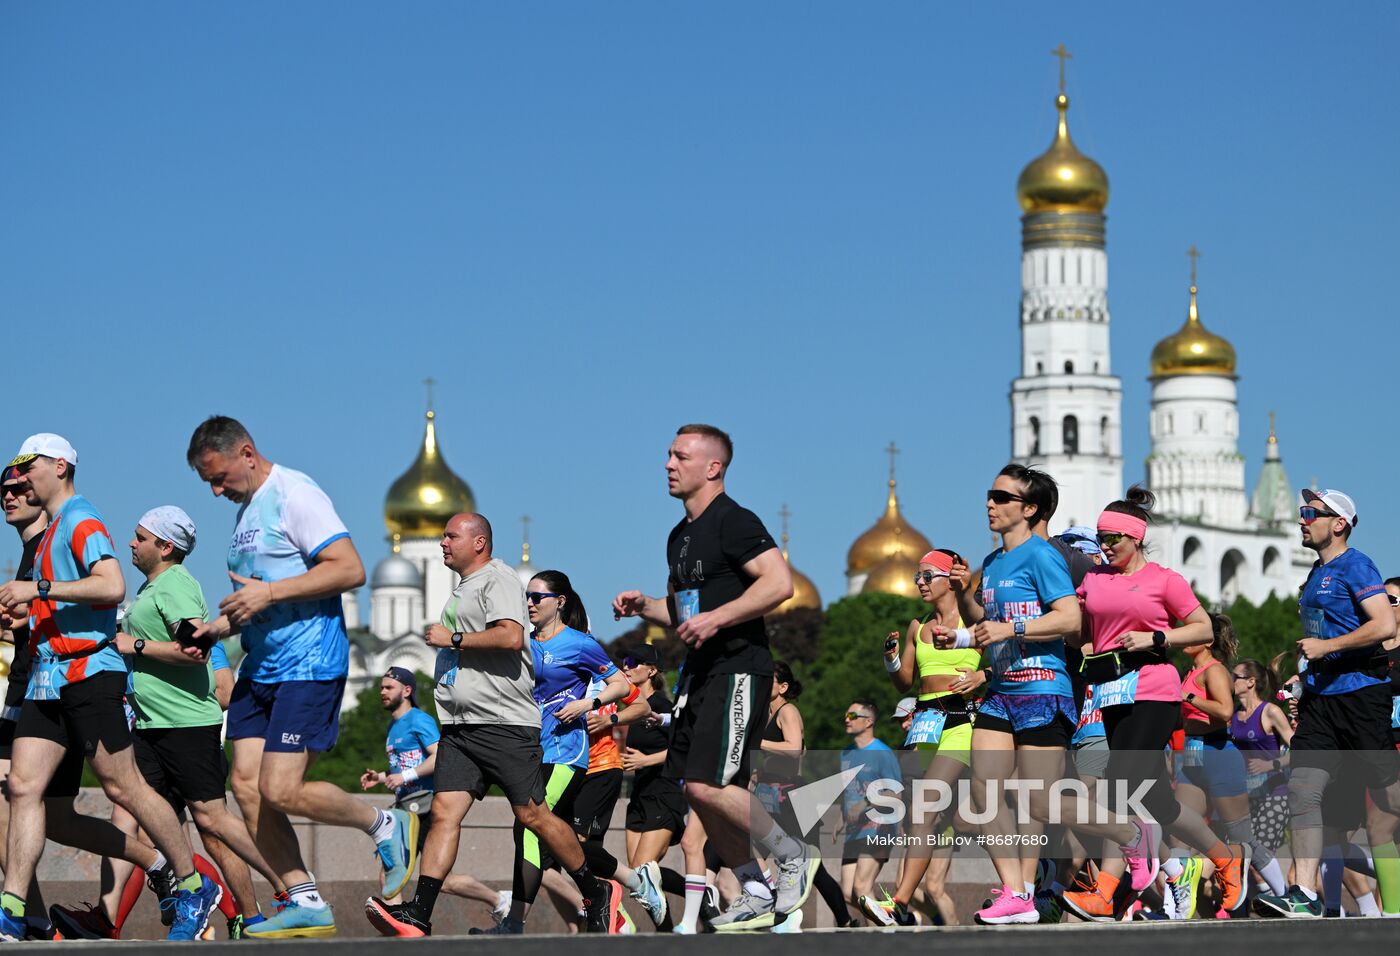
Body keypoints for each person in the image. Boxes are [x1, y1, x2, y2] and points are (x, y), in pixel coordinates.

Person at [185, 415, 414, 938]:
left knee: (281, 789)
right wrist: (217, 627)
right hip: (260, 665)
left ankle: (383, 824)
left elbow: (350, 569)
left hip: (307, 666)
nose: (217, 490)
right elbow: (258, 593)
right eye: (208, 483)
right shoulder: (248, 511)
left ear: (247, 452)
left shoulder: (295, 494)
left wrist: (266, 594)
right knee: (244, 787)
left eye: (219, 478)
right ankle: (305, 898)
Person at [364, 514, 627, 937]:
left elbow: (509, 636)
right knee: (446, 814)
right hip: (460, 728)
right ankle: (419, 912)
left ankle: (595, 893)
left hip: (501, 723)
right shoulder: (465, 588)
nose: (442, 542)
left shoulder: (498, 579)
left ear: (479, 541)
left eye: (451, 535)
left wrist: (451, 639)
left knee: (533, 816)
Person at [0, 435, 219, 941]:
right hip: (46, 678)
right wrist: (25, 614)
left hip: (90, 675)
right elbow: (61, 606)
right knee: (24, 789)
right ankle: (12, 909)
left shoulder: (81, 518)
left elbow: (111, 585)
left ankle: (190, 882)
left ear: (59, 466)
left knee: (125, 787)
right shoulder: (53, 528)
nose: (20, 478)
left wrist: (37, 590)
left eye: (27, 467)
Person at [613, 424, 812, 931]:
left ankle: (792, 854)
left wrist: (718, 619)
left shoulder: (734, 521)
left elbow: (779, 583)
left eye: (680, 456)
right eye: (668, 455)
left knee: (712, 784)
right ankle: (753, 887)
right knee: (697, 790)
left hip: (738, 668)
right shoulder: (679, 537)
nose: (668, 464)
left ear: (713, 468)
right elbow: (686, 611)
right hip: (698, 675)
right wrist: (648, 606)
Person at [1055, 488, 1250, 922]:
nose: (1105, 547)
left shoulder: (1165, 579)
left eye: (1114, 539)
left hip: (1154, 686)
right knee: (1158, 802)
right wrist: (1081, 644)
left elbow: (1200, 629)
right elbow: (1079, 629)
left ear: (1136, 537)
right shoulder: (1095, 579)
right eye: (1101, 538)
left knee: (1119, 781)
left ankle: (1111, 887)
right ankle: (1225, 859)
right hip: (1109, 690)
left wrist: (1156, 638)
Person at [942, 464, 1083, 925]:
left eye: (1001, 497)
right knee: (984, 793)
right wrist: (965, 602)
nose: (990, 503)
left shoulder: (1042, 556)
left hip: (1043, 688)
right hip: (1002, 691)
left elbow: (1069, 620)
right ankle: (1017, 892)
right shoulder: (995, 564)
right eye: (989, 495)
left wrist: (1013, 626)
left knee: (1037, 800)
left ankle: (1130, 834)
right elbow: (983, 623)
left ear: (1029, 509)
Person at [1256, 489, 1400, 918]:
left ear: (1338, 523)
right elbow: (1323, 644)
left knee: (1389, 800)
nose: (1302, 520)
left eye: (1310, 513)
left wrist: (1328, 646)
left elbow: (1384, 622)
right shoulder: (1315, 574)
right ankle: (1303, 892)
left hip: (1360, 696)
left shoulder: (1357, 565)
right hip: (1321, 700)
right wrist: (1308, 669)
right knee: (1304, 790)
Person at [490, 569, 654, 934]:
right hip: (531, 751)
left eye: (537, 597)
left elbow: (620, 686)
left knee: (529, 827)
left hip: (568, 750)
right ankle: (599, 898)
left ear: (559, 602)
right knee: (539, 834)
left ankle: (517, 922)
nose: (529, 603)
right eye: (526, 597)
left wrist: (586, 704)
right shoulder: (522, 642)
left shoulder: (579, 644)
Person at [866, 549, 978, 927]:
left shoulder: (975, 620)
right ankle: (901, 901)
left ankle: (897, 900)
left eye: (928, 576)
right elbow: (905, 681)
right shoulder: (918, 627)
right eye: (918, 577)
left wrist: (982, 676)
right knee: (924, 817)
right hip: (923, 723)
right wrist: (892, 660)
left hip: (961, 721)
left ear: (950, 578)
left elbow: (1005, 658)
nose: (920, 583)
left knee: (929, 808)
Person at [0, 465, 52, 940]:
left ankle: (171, 868)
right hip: (23, 686)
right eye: (3, 491)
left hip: (53, 686)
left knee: (121, 790)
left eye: (18, 487)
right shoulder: (25, 553)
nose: (9, 496)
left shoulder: (52, 544)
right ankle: (28, 915)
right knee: (7, 798)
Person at [1230, 658, 1295, 891]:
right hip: (1244, 794)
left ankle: (1283, 898)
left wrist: (1271, 765)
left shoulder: (1270, 712)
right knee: (1243, 857)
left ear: (1250, 682)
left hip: (1274, 793)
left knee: (1259, 857)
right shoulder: (1232, 714)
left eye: (1234, 676)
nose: (1230, 680)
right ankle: (1267, 906)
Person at [837, 699, 902, 919]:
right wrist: (840, 817)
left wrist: (865, 803)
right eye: (846, 715)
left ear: (869, 722)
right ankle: (891, 918)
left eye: (853, 716)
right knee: (848, 893)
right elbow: (847, 790)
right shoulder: (846, 753)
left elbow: (895, 793)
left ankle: (880, 940)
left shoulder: (882, 752)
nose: (846, 720)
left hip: (878, 827)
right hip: (854, 830)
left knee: (862, 888)